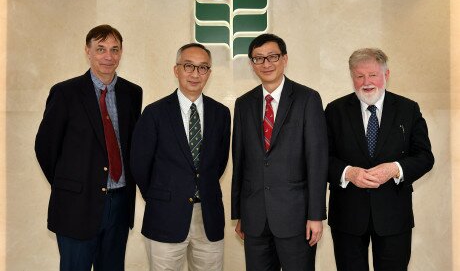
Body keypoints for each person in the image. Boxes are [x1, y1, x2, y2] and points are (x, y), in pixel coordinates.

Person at [35, 24, 143, 270]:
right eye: (101, 49)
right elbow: (45, 147)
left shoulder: (132, 93)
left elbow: (131, 146)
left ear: (121, 53)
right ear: (88, 51)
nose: (108, 56)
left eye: (115, 50)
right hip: (77, 206)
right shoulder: (65, 93)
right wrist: (71, 184)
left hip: (119, 204)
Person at [325, 48, 434, 271]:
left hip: (393, 216)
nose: (367, 82)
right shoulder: (334, 110)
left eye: (373, 75)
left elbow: (425, 156)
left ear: (386, 75)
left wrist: (395, 169)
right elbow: (320, 158)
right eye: (359, 76)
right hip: (348, 216)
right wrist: (348, 173)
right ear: (352, 77)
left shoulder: (408, 109)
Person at [231, 33, 329, 271]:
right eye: (258, 58)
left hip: (296, 218)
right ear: (252, 64)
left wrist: (316, 215)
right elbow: (240, 160)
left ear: (285, 59)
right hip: (254, 219)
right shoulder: (243, 104)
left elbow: (317, 160)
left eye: (272, 56)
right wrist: (240, 213)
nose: (266, 64)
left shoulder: (308, 99)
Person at [130, 43, 230, 271]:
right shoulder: (154, 113)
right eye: (188, 66)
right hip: (165, 215)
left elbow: (218, 163)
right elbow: (140, 164)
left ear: (209, 73)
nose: (195, 74)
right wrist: (161, 195)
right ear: (176, 70)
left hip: (209, 217)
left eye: (203, 68)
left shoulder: (221, 114)